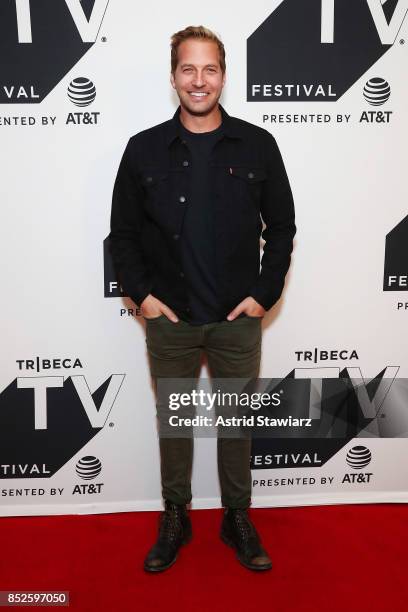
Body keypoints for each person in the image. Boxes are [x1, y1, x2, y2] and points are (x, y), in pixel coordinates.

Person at [109, 25, 296, 572]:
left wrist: (265, 294)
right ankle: (176, 514)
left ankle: (236, 516)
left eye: (209, 69)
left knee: (237, 426)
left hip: (238, 319)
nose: (199, 80)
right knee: (176, 424)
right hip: (170, 319)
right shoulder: (143, 149)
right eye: (188, 69)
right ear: (173, 79)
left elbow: (282, 228)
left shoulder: (258, 144)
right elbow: (122, 234)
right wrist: (141, 295)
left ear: (223, 76)